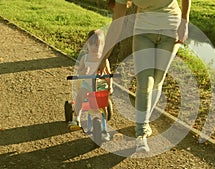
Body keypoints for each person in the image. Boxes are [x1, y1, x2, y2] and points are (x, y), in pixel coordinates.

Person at [99, 0, 191, 152]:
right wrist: (104, 57)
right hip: (143, 31)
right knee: (145, 83)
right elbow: (117, 25)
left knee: (157, 82)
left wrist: (185, 21)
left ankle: (144, 120)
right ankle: (141, 134)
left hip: (171, 30)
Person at [69, 29, 113, 140]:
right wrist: (84, 72)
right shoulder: (85, 58)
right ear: (87, 45)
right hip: (87, 85)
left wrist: (110, 86)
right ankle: (76, 117)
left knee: (103, 107)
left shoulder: (104, 60)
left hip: (100, 86)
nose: (94, 48)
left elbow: (108, 74)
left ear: (103, 46)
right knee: (80, 95)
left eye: (98, 45)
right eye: (91, 44)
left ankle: (104, 129)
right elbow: (79, 72)